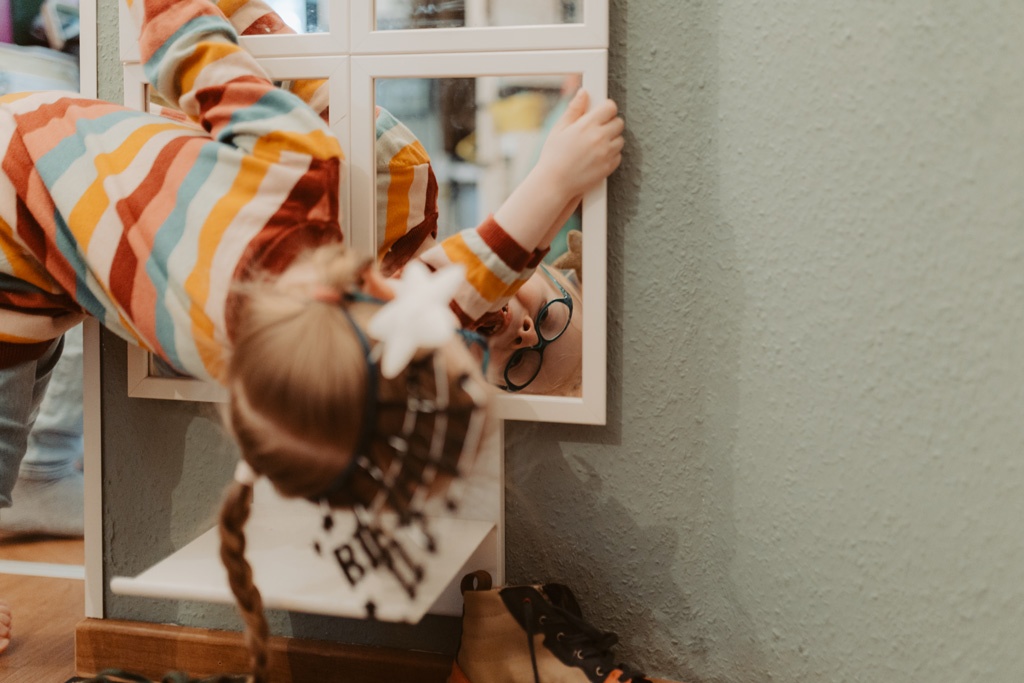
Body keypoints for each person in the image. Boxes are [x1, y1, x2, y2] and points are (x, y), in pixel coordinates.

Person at [0, 0, 622, 660]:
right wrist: (552, 188)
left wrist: (553, 182)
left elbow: (187, 38)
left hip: (23, 211)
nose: (508, 329)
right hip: (47, 224)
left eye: (476, 347)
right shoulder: (255, 362)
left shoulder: (296, 176)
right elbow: (432, 301)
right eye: (547, 319)